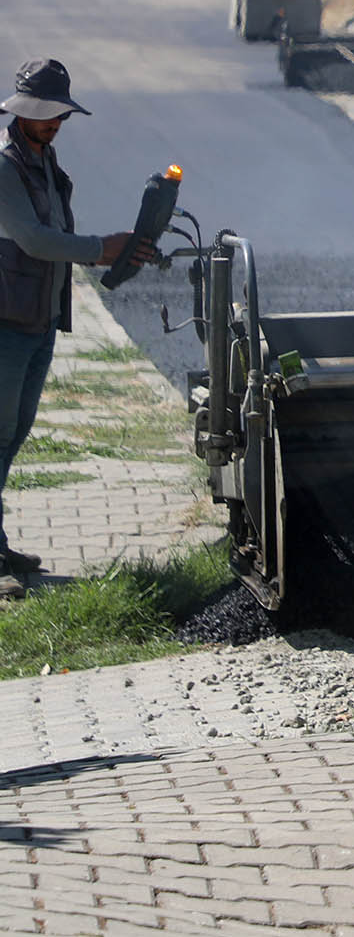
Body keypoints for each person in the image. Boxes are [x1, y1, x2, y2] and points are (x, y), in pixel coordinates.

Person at [0, 61, 152, 599]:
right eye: (45, 116)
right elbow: (36, 239)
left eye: (59, 116)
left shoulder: (42, 157)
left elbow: (54, 232)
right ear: (22, 114)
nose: (54, 124)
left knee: (13, 434)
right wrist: (100, 248)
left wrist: (122, 250)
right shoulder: (5, 165)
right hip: (5, 322)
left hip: (34, 319)